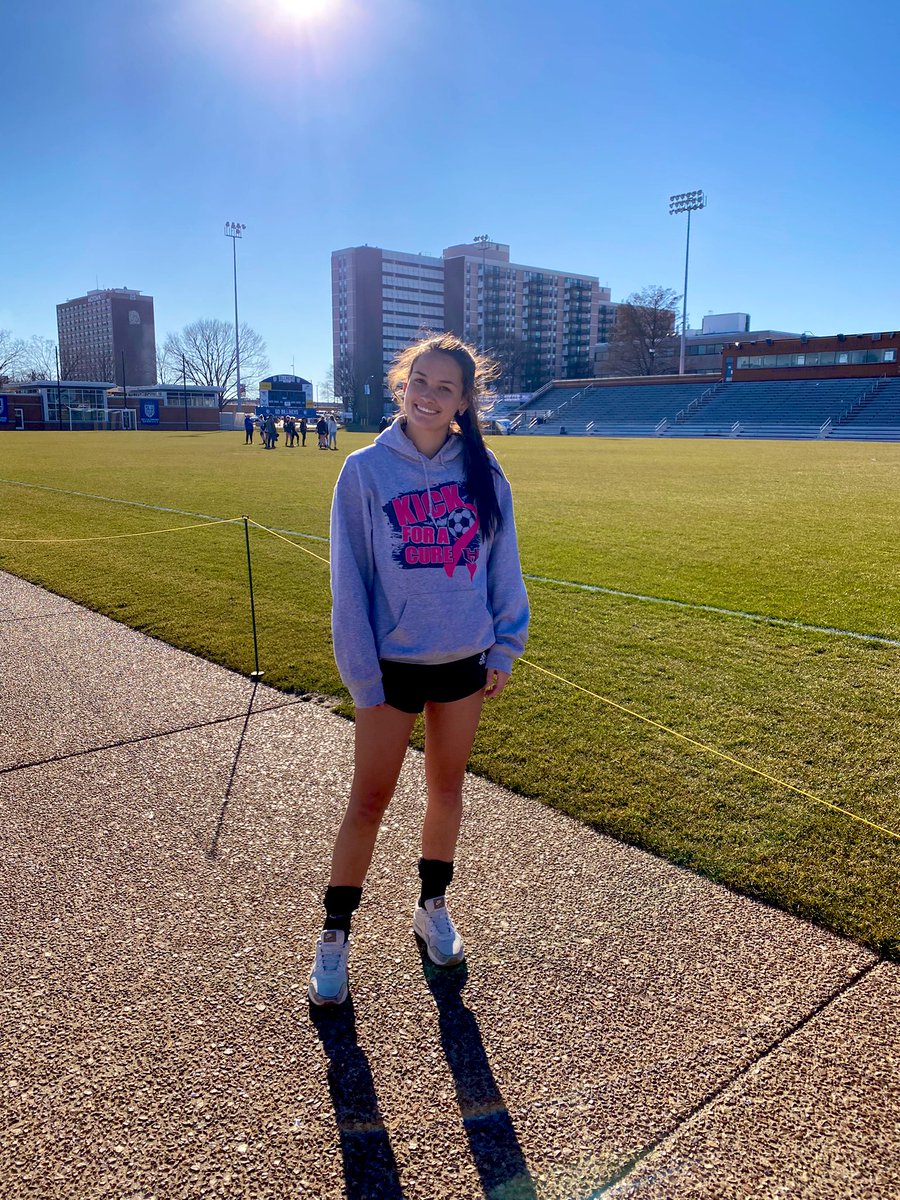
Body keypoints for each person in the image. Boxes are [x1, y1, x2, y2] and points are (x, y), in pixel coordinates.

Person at [307, 332, 530, 1007]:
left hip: (463, 658)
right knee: (369, 803)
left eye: (445, 388)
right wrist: (362, 677)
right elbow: (349, 583)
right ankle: (334, 935)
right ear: (402, 384)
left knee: (447, 792)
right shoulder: (366, 471)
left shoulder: (485, 472)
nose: (428, 397)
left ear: (463, 402)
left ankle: (431, 907)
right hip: (391, 668)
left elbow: (502, 565)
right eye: (419, 382)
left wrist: (504, 646)